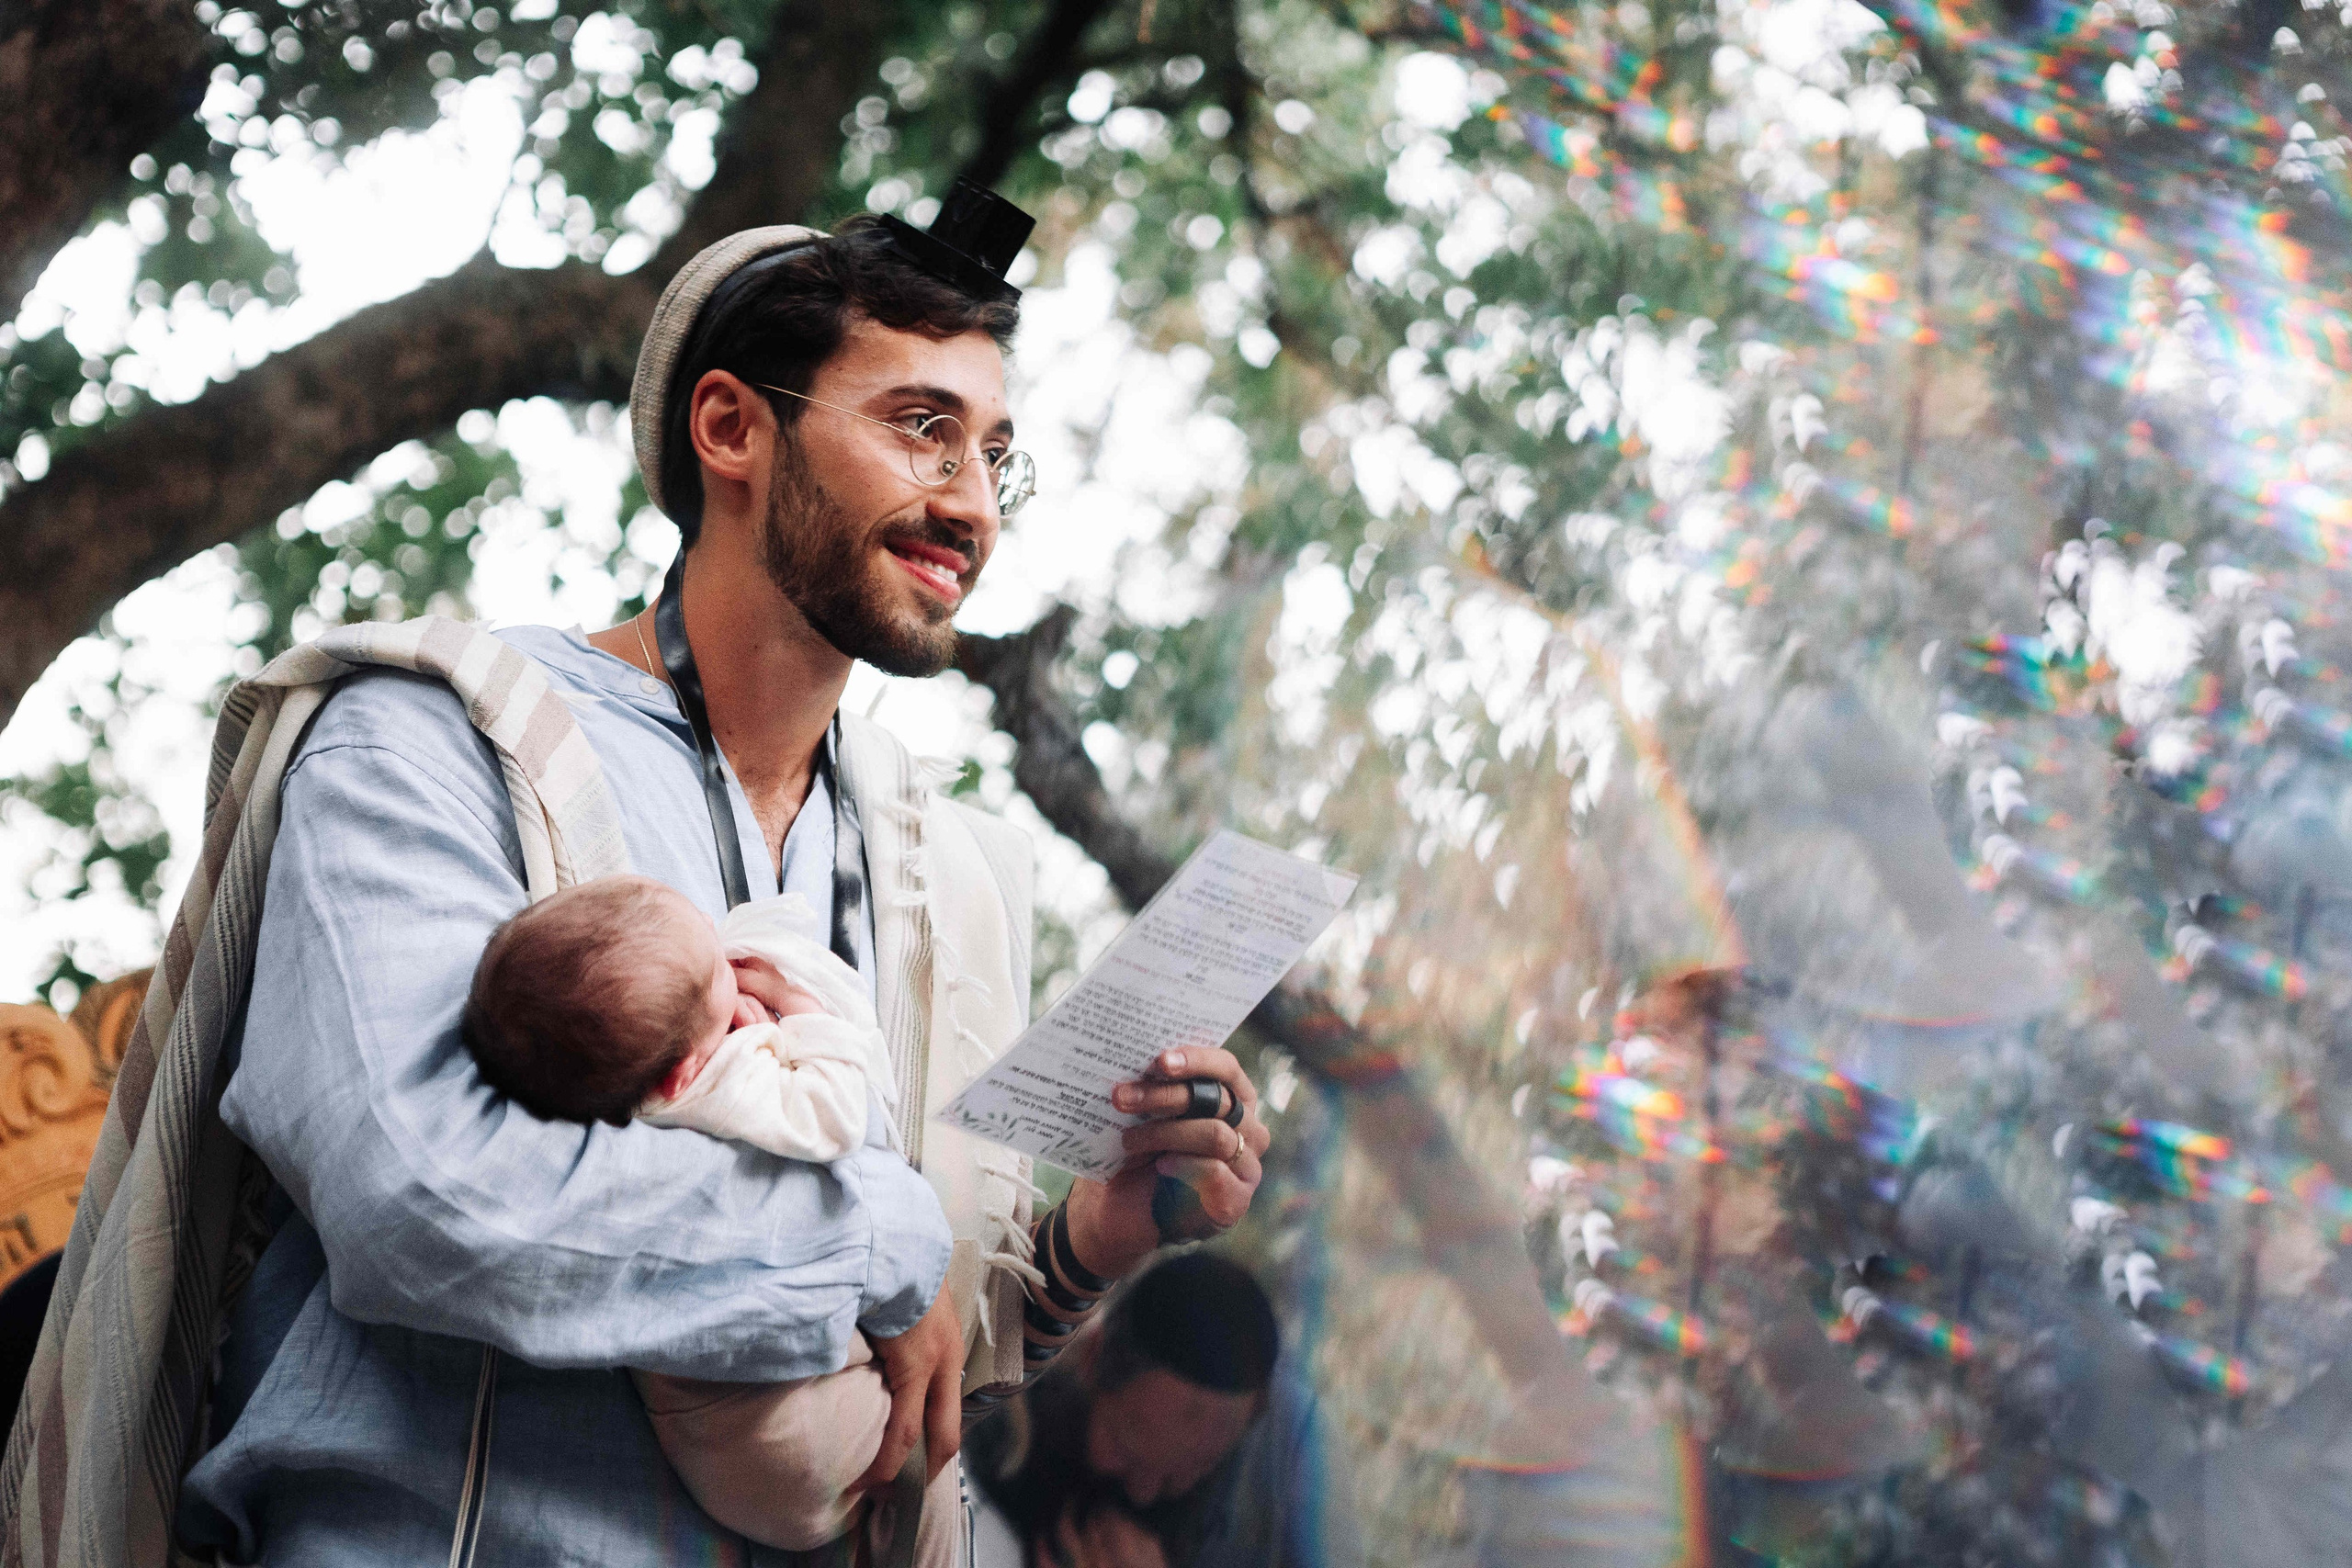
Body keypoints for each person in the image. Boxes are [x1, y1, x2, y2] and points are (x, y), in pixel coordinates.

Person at [168, 186, 1273, 1564]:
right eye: (920, 426)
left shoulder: (949, 873)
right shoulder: (429, 737)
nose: (972, 501)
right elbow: (435, 1204)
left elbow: (920, 1373)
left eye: (998, 453)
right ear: (733, 427)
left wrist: (1093, 1241)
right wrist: (881, 1230)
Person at [463, 873, 952, 1559]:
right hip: (778, 1418)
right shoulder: (721, 1082)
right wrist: (800, 1013)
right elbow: (839, 1116)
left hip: (709, 1442)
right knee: (932, 1480)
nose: (733, 965)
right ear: (678, 1078)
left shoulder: (614, 1093)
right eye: (723, 982)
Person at [967, 1252, 1360, 1568]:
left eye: (1183, 1474)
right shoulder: (1002, 1416)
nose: (1142, 1494)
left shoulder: (1294, 1463)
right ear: (1092, 1356)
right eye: (1124, 1450)